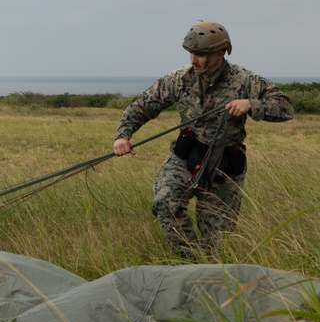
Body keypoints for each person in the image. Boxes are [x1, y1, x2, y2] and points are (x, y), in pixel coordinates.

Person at [112, 21, 294, 259]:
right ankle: (189, 264)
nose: (193, 60)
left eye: (201, 54)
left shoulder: (246, 81)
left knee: (217, 241)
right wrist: (123, 136)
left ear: (220, 52)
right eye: (191, 53)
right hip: (186, 155)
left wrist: (252, 104)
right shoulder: (180, 79)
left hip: (225, 164)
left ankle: (209, 273)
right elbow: (144, 105)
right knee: (165, 203)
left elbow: (286, 108)